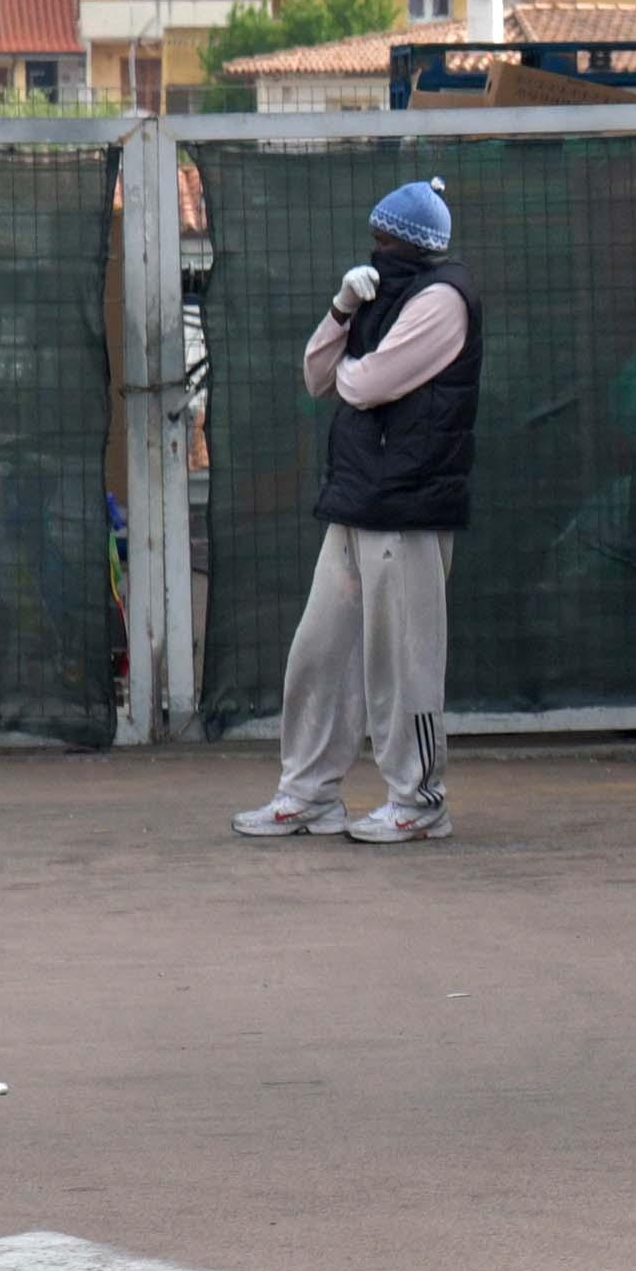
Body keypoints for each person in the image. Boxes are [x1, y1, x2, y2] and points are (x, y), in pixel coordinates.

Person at [236, 177, 475, 846]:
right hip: (355, 502)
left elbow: (362, 386)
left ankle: (420, 801)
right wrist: (341, 312)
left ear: (420, 245)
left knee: (406, 664)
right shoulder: (375, 296)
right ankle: (308, 795)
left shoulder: (443, 301)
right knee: (320, 651)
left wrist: (351, 366)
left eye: (392, 238)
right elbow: (318, 375)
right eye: (376, 236)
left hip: (410, 507)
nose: (381, 247)